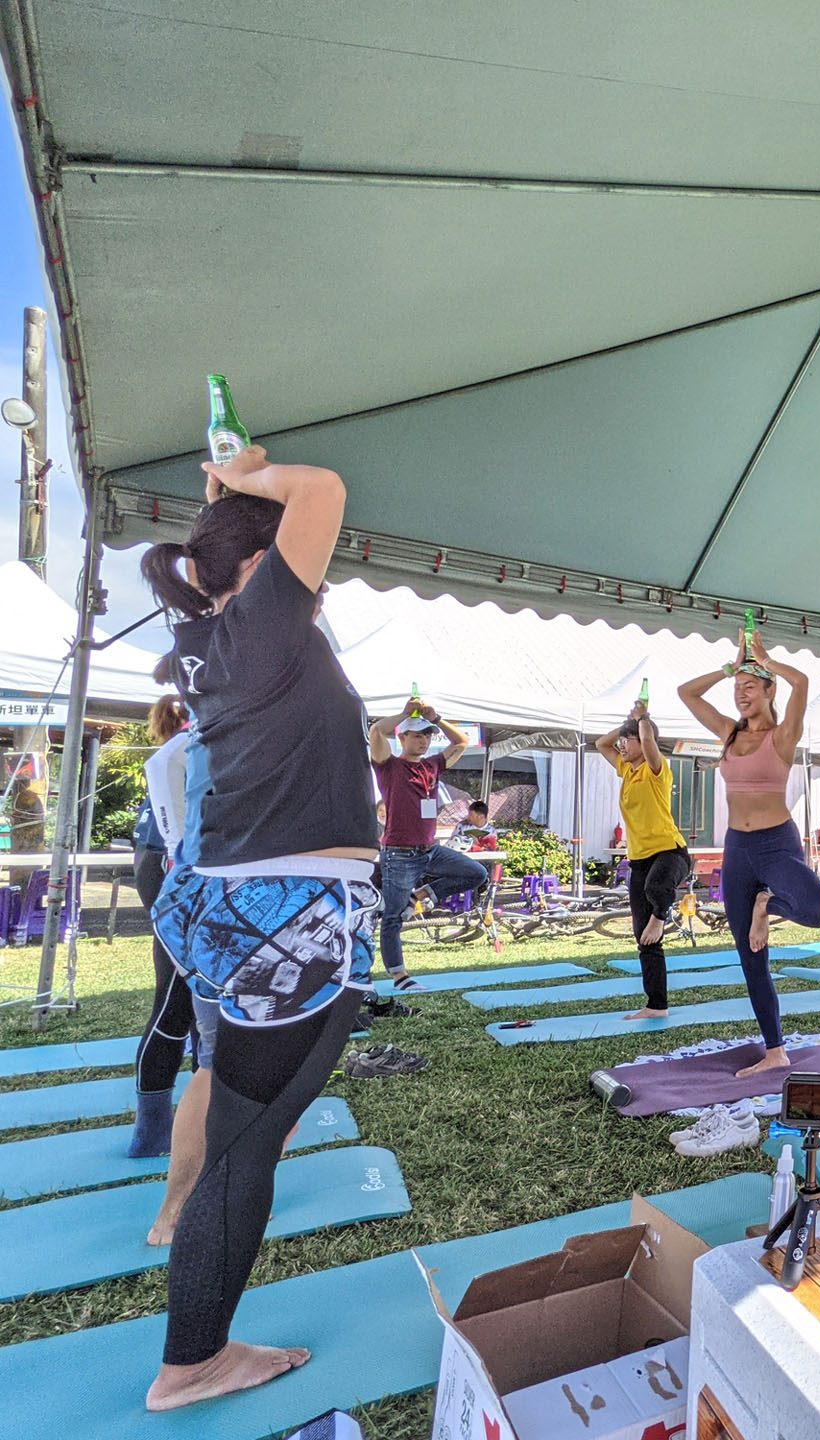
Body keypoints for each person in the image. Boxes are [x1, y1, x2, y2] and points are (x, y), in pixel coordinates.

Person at [140, 445, 380, 1410]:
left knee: (247, 1133)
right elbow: (323, 489)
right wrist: (253, 475)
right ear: (257, 570)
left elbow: (245, 549)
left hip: (249, 912)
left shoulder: (208, 631)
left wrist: (230, 506)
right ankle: (192, 1360)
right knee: (246, 1148)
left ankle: (194, 1347)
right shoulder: (262, 623)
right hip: (291, 921)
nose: (313, 582)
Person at [679, 629, 820, 1077]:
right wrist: (730, 667)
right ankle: (775, 1050)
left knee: (817, 909)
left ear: (769, 690)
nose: (740, 695)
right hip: (738, 849)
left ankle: (769, 903)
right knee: (750, 955)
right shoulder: (728, 733)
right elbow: (685, 693)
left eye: (750, 687)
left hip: (776, 843)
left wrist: (765, 658)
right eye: (736, 689)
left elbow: (802, 682)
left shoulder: (783, 737)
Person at [368, 701, 488, 989]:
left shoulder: (432, 765)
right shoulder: (390, 766)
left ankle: (419, 894)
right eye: (417, 735)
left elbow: (462, 741)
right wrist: (405, 714)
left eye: (427, 736)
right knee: (393, 917)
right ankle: (399, 976)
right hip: (398, 854)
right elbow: (375, 731)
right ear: (402, 738)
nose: (424, 741)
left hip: (429, 850)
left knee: (477, 874)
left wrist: (438, 718)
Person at [127, 693, 194, 1160]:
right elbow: (175, 840)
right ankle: (151, 1130)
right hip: (174, 869)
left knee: (199, 1001)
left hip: (173, 866)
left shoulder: (193, 745)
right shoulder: (179, 751)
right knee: (175, 998)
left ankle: (187, 1112)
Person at [595, 701, 691, 1020]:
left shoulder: (656, 769)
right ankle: (656, 1005)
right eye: (623, 740)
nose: (621, 745)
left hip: (669, 852)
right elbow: (601, 744)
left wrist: (642, 720)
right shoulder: (626, 769)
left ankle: (661, 915)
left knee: (657, 887)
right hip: (638, 860)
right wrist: (626, 723)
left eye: (628, 740)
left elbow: (649, 741)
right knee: (644, 938)